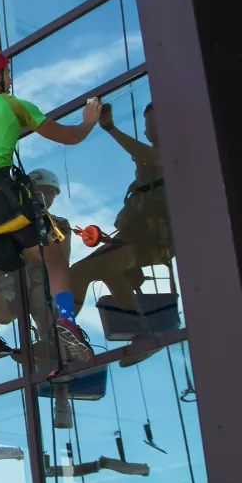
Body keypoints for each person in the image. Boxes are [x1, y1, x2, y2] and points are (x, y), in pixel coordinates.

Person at [0, 48, 101, 366]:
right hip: (4, 208)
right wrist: (88, 123)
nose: (10, 79)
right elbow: (69, 137)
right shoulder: (13, 105)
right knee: (54, 258)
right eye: (6, 73)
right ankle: (66, 321)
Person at [0, 168, 75, 428]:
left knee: (52, 329)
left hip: (40, 284)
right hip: (11, 282)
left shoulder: (58, 224)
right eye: (40, 192)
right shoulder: (10, 219)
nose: (45, 198)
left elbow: (60, 261)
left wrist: (25, 240)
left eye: (49, 194)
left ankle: (61, 399)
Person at [68, 101, 172, 321]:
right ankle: (64, 334)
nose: (146, 131)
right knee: (79, 271)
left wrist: (110, 129)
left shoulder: (173, 154)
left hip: (153, 238)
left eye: (150, 124)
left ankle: (140, 325)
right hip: (138, 236)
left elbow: (156, 158)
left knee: (103, 266)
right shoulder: (148, 174)